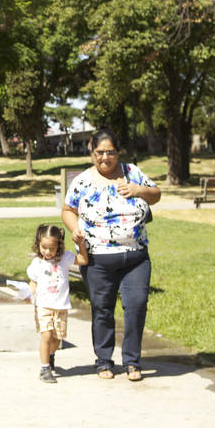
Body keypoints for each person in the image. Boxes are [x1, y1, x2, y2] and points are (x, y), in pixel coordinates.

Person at [62, 127, 160, 382]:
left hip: (135, 255)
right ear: (91, 151)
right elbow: (67, 210)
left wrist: (137, 190)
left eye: (110, 153)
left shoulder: (132, 172)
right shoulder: (83, 180)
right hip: (97, 259)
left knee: (136, 307)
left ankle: (132, 362)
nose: (105, 158)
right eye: (99, 153)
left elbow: (156, 194)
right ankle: (104, 360)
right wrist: (75, 230)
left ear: (118, 152)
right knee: (102, 309)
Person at [27, 224, 88, 383]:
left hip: (61, 306)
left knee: (57, 339)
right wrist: (29, 294)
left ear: (59, 245)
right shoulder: (37, 263)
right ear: (38, 244)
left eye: (52, 248)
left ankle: (50, 356)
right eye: (44, 247)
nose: (47, 252)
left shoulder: (65, 258)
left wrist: (81, 244)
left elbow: (83, 260)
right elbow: (33, 282)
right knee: (46, 336)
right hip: (43, 306)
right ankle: (44, 368)